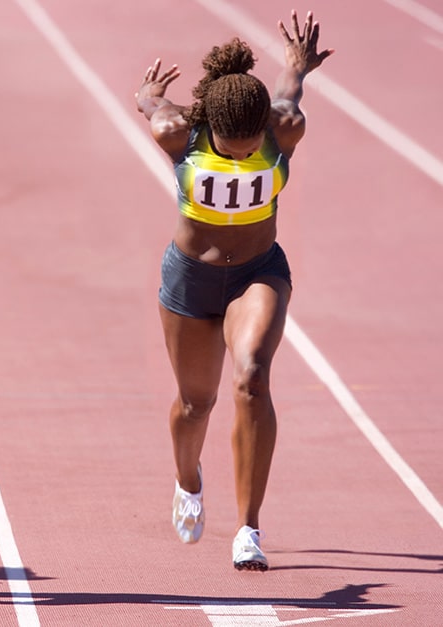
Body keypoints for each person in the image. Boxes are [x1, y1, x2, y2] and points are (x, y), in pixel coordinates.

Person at [135, 11, 332, 570]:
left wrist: (297, 67)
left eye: (252, 148)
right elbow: (150, 103)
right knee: (196, 404)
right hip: (190, 281)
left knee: (251, 377)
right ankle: (188, 480)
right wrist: (149, 94)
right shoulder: (178, 133)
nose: (245, 154)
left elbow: (289, 92)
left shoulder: (282, 128)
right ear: (209, 128)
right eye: (233, 147)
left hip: (257, 273)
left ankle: (248, 528)